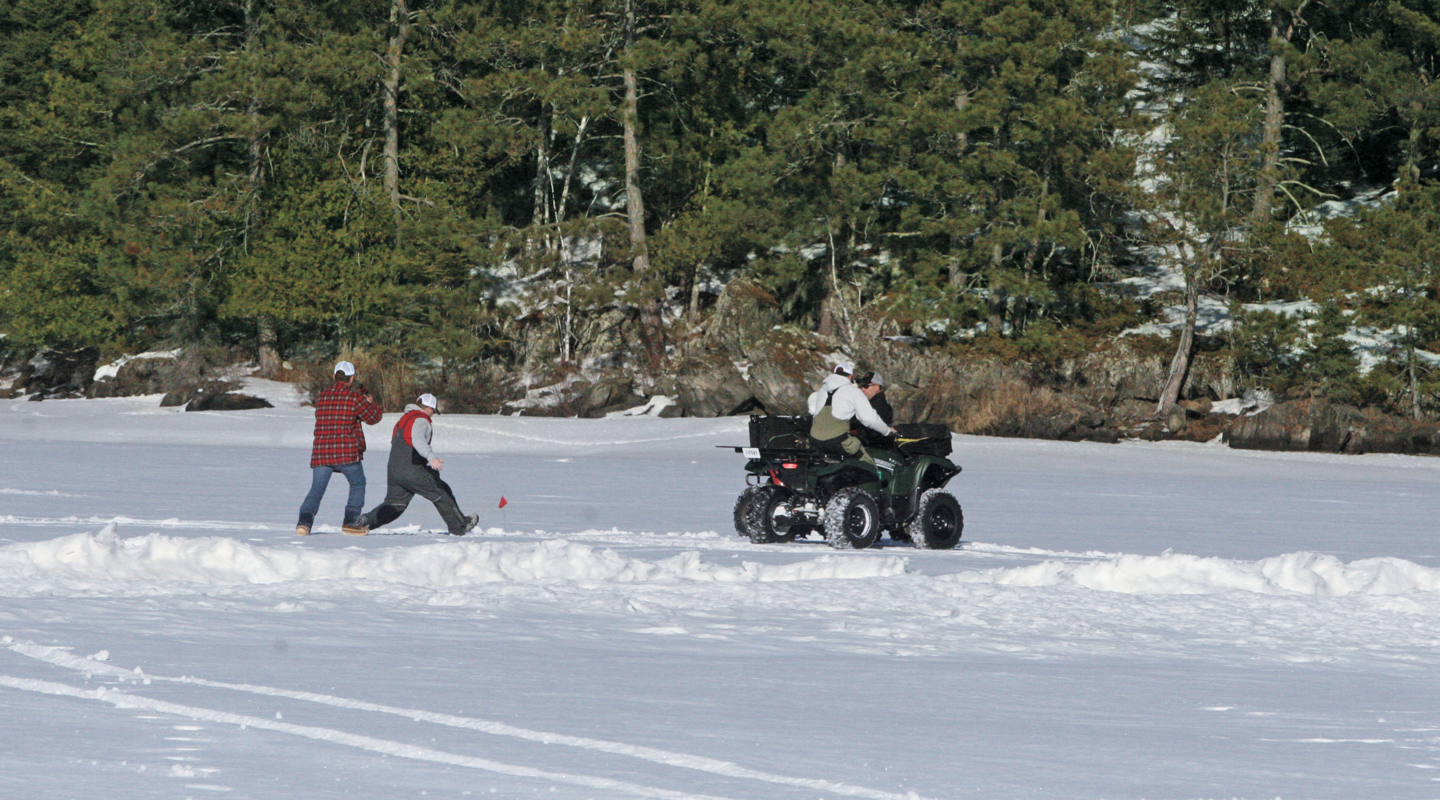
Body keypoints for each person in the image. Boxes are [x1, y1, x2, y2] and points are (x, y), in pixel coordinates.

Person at [360, 393, 479, 536]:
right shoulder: (421, 420)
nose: (433, 414)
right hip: (411, 469)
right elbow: (417, 441)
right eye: (434, 411)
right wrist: (431, 458)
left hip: (394, 469)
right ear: (428, 408)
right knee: (441, 492)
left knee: (396, 504)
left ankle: (365, 521)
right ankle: (459, 527)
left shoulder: (404, 419)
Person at [297, 360, 384, 536]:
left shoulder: (322, 397)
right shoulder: (354, 398)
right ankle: (350, 522)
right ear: (351, 378)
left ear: (334, 376)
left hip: (321, 452)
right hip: (347, 453)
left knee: (316, 490)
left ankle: (304, 524)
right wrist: (371, 402)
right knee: (358, 484)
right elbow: (374, 418)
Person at [809, 369, 896, 464]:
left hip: (817, 441)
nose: (862, 389)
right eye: (861, 386)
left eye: (866, 386)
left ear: (876, 387)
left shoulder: (880, 405)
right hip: (842, 441)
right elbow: (866, 421)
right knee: (867, 466)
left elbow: (870, 427)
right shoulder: (855, 394)